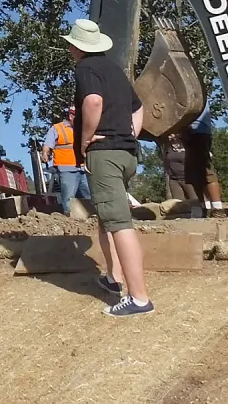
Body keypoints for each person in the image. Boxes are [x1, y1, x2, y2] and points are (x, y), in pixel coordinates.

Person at [65, 18, 154, 317]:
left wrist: (85, 141)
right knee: (107, 216)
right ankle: (113, 278)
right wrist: (130, 134)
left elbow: (92, 102)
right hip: (127, 153)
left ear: (76, 46)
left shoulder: (85, 69)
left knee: (118, 223)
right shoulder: (114, 70)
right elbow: (138, 107)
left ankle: (140, 298)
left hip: (105, 154)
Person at [41, 107, 92, 214]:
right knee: (69, 198)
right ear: (71, 116)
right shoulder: (57, 128)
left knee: (88, 197)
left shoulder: (82, 129)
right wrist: (45, 153)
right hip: (66, 169)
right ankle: (69, 218)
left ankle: (90, 219)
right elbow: (47, 144)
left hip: (83, 168)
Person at [184, 106, 225, 217]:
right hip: (189, 132)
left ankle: (217, 209)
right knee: (193, 174)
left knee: (205, 171)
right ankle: (203, 207)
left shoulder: (197, 91)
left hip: (198, 131)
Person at [161, 132, 196, 205]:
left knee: (195, 200)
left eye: (171, 133)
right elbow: (165, 162)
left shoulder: (187, 145)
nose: (169, 135)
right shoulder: (168, 147)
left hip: (188, 178)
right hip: (174, 180)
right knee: (178, 204)